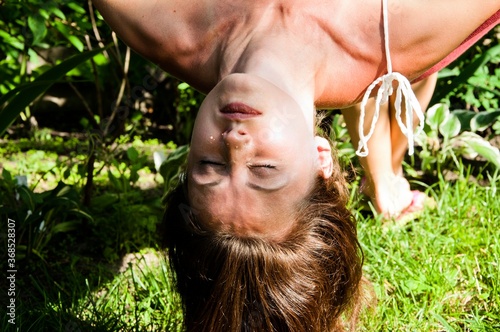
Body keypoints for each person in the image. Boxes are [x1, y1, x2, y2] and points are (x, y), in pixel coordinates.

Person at [91, 0, 500, 330]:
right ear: (321, 157)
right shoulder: (400, 30)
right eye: (264, 170)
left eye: (211, 166)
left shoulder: (157, 22)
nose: (235, 144)